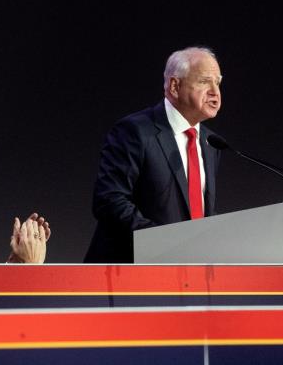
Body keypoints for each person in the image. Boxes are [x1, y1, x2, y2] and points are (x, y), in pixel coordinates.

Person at [84, 46, 223, 263]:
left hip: (186, 276)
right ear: (175, 86)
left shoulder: (210, 143)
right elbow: (109, 201)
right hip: (129, 274)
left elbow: (201, 214)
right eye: (205, 82)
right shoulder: (135, 131)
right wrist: (163, 242)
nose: (215, 91)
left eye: (218, 82)